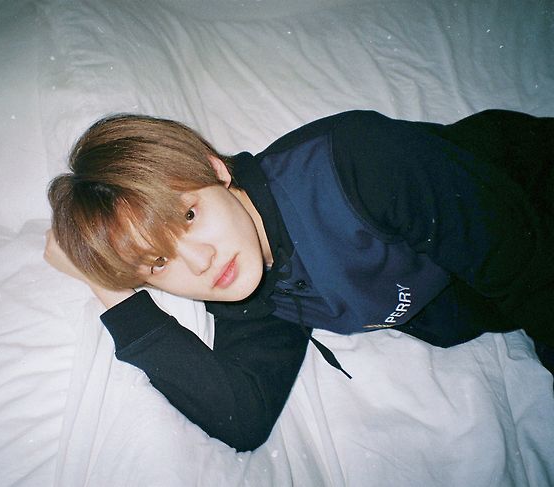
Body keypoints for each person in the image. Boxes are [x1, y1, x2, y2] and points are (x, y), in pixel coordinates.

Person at [45, 109, 553, 452]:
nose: (199, 263)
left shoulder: (356, 163)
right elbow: (243, 416)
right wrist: (111, 287)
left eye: (189, 216)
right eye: (158, 262)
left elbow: (534, 276)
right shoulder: (247, 285)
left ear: (215, 169)